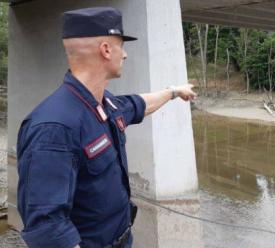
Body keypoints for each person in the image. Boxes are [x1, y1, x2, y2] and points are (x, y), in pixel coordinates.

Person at [16, 6, 197, 248]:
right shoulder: (54, 126)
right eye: (122, 46)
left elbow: (139, 104)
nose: (125, 55)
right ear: (106, 50)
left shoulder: (105, 103)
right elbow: (47, 227)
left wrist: (174, 91)